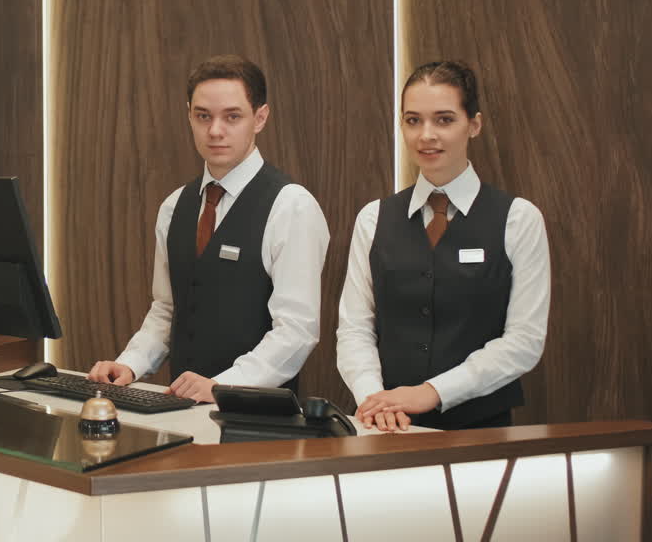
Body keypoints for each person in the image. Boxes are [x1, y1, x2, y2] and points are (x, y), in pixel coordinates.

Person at [87, 55, 329, 403]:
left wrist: (223, 387)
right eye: (203, 116)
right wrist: (130, 364)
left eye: (232, 116)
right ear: (189, 116)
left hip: (257, 422)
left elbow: (297, 332)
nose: (215, 130)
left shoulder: (291, 206)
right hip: (181, 415)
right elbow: (168, 309)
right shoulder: (173, 207)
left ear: (260, 118)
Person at [336, 60, 550, 431]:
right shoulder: (373, 218)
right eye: (413, 120)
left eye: (444, 119)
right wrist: (375, 401)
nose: (426, 135)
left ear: (475, 125)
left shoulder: (518, 219)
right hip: (386, 428)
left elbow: (524, 341)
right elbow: (355, 328)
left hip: (481, 431)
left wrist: (432, 391)